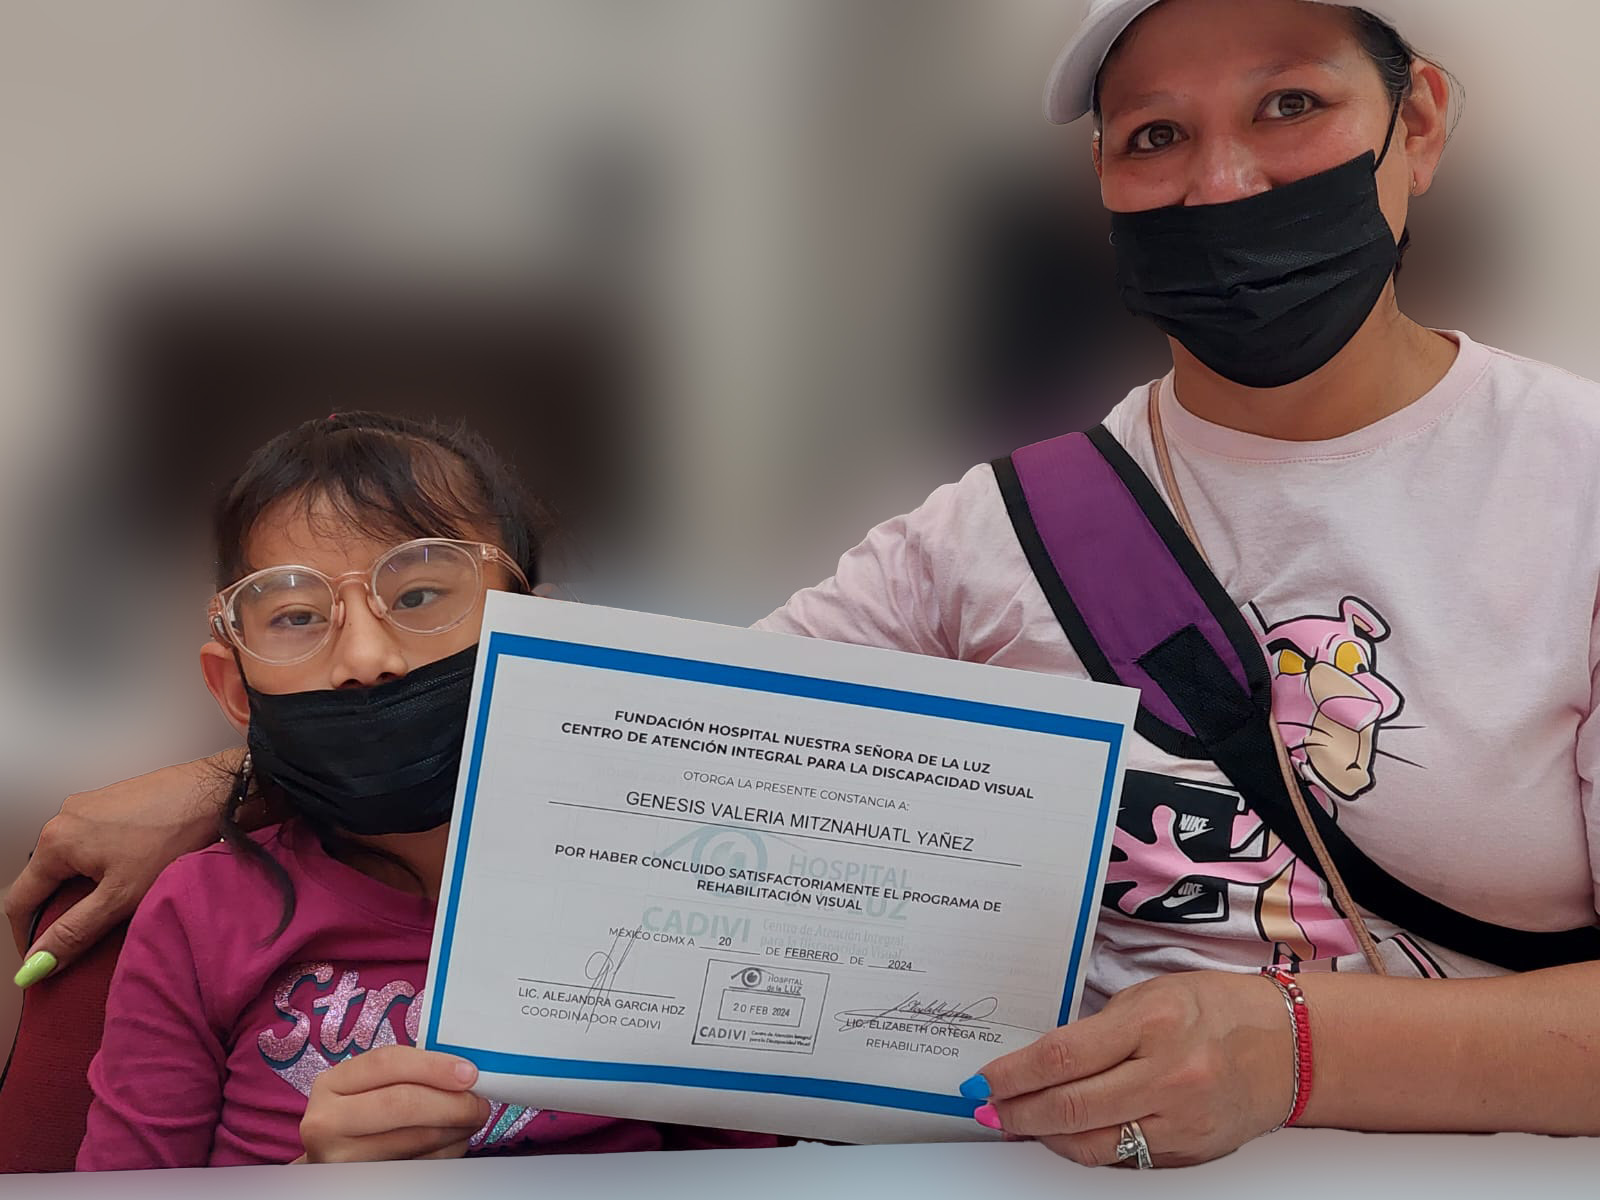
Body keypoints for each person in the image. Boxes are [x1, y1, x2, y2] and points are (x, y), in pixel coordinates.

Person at [10, 0, 1600, 1170]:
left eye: (1292, 106)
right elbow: (639, 747)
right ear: (1101, 190)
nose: (1226, 181)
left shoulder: (1576, 479)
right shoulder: (1001, 531)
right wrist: (238, 782)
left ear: (1422, 121)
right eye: (1154, 137)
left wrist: (1294, 1049)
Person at [71, 412, 777, 1168]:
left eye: (416, 597)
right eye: (298, 615)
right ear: (234, 687)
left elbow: (751, 1171)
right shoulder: (199, 913)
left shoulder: (654, 892)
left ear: (538, 631)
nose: (367, 659)